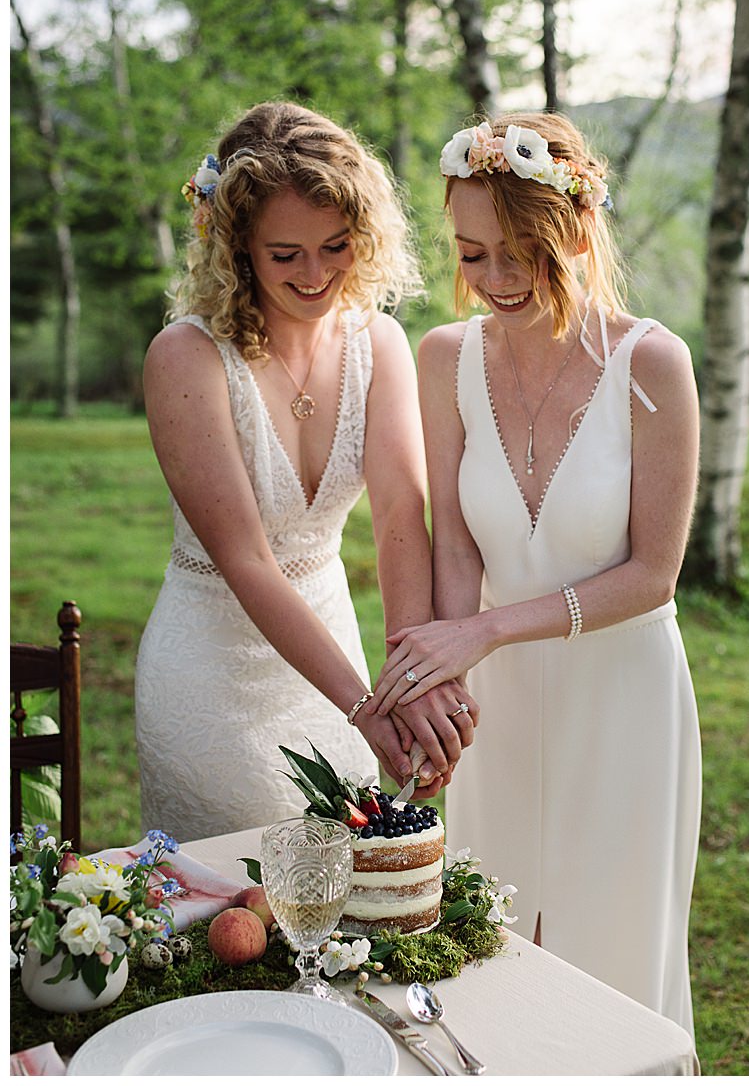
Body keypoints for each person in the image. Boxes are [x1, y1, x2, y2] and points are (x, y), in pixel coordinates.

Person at [365, 113, 702, 1036]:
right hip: (497, 700)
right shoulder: (446, 358)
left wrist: (481, 631)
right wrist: (445, 684)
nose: (498, 282)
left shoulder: (652, 365)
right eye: (475, 256)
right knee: (488, 942)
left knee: (612, 949)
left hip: (622, 696)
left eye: (524, 255)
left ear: (577, 234)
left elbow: (653, 577)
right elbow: (455, 547)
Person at [135, 101, 477, 843]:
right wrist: (368, 707)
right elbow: (248, 560)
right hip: (210, 674)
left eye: (336, 245)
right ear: (238, 250)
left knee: (346, 903)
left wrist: (407, 684)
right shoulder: (186, 359)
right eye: (285, 254)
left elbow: (398, 522)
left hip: (333, 651)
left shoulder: (378, 343)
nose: (316, 274)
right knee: (239, 908)